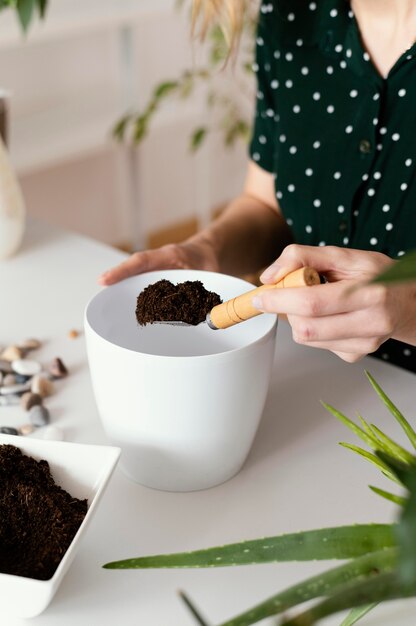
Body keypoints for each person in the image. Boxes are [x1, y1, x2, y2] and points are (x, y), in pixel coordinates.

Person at [99, 0, 416, 372]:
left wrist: (409, 307)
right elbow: (268, 206)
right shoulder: (294, 14)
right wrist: (205, 252)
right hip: (323, 382)